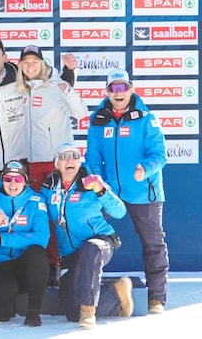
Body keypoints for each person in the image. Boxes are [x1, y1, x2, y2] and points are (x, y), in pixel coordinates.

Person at [85, 69, 169, 315]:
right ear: (107, 92)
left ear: (131, 90)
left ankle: (156, 299)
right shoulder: (98, 119)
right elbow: (92, 157)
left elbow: (160, 156)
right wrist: (95, 180)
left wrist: (147, 169)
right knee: (85, 235)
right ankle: (83, 294)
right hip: (109, 193)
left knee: (153, 244)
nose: (118, 93)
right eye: (113, 88)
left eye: (123, 88)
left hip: (144, 192)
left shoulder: (146, 118)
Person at [0, 38, 77, 200]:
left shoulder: (22, 82)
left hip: (22, 164)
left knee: (25, 214)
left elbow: (55, 87)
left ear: (5, 57)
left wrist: (69, 69)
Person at [39, 143, 134, 328]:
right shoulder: (48, 188)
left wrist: (101, 190)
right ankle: (117, 294)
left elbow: (120, 211)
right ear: (57, 164)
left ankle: (89, 312)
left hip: (100, 242)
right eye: (65, 157)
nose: (70, 161)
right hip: (70, 253)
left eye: (74, 156)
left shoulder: (89, 181)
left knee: (91, 249)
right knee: (72, 312)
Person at [0, 160, 50, 327]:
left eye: (18, 179)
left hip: (23, 265)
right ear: (2, 180)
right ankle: (2, 304)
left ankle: (34, 312)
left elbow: (42, 239)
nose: (13, 184)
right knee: (4, 298)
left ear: (26, 181)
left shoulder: (36, 201)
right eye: (8, 179)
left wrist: (4, 239)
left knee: (38, 253)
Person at [17, 45, 88, 190]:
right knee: (39, 208)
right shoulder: (21, 87)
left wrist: (68, 92)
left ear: (42, 63)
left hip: (56, 161)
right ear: (20, 65)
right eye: (26, 62)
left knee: (57, 207)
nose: (30, 66)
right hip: (32, 162)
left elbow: (81, 113)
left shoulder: (56, 83)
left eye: (35, 61)